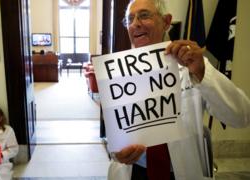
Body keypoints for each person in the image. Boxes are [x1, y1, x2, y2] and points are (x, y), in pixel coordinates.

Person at [107, 0, 250, 180]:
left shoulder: (192, 66)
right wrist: (115, 152)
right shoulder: (116, 74)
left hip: (181, 173)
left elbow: (242, 116)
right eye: (129, 19)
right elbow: (113, 136)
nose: (135, 23)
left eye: (144, 15)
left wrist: (202, 72)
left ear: (166, 22)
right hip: (133, 171)